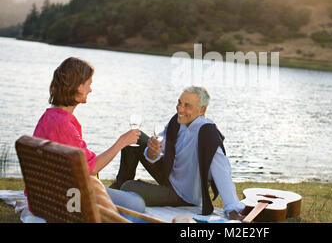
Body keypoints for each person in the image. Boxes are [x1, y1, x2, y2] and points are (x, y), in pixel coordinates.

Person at [110, 86, 245, 220]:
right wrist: (152, 151)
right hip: (169, 174)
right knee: (135, 137)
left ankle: (121, 190)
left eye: (187, 106)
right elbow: (156, 152)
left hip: (182, 195)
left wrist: (233, 209)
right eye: (179, 103)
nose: (180, 109)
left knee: (128, 186)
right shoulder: (178, 121)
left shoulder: (207, 136)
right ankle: (117, 188)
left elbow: (222, 172)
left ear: (202, 110)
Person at [31, 57, 146, 213]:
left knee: (129, 196)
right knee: (137, 203)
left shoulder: (50, 116)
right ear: (77, 86)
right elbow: (91, 169)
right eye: (89, 84)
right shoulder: (63, 125)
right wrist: (122, 142)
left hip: (50, 192)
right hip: (65, 196)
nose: (90, 90)